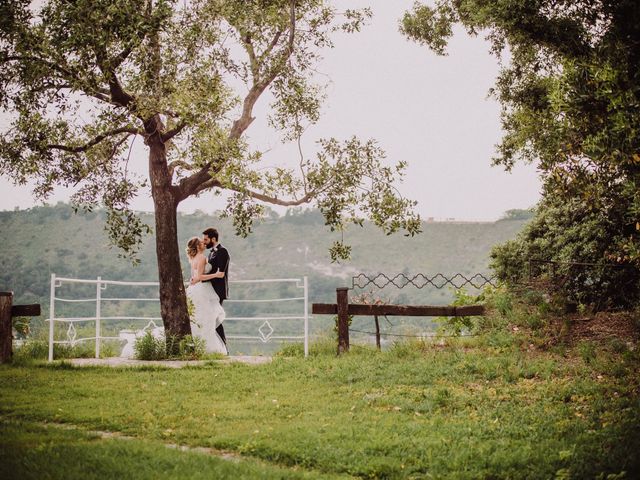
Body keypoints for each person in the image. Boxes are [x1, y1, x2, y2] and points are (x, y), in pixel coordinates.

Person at [185, 237, 227, 354]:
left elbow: (195, 276)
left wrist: (193, 279)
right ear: (198, 247)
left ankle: (196, 345)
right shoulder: (202, 258)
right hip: (202, 290)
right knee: (206, 318)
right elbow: (200, 277)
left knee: (197, 318)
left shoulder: (193, 258)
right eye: (202, 244)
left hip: (194, 289)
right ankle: (206, 348)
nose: (204, 245)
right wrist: (216, 275)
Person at [200, 227, 230, 347]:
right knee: (211, 318)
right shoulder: (212, 252)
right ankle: (216, 346)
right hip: (210, 291)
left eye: (206, 240)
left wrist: (203, 278)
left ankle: (223, 346)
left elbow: (221, 274)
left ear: (213, 239)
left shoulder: (222, 251)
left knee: (215, 319)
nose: (204, 242)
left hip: (218, 291)